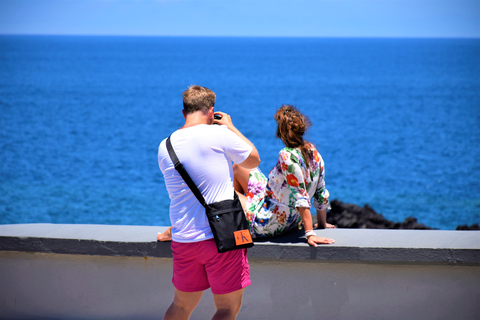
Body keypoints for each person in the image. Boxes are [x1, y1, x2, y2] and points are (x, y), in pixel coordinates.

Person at [157, 85, 260, 320]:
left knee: (181, 307)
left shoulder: (165, 146)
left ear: (184, 112)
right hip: (221, 236)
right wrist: (231, 127)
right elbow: (254, 160)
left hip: (184, 239)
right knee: (226, 309)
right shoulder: (220, 134)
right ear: (211, 111)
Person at [232, 104, 335, 247]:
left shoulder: (286, 155)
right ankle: (244, 216)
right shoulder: (313, 152)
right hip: (288, 216)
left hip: (271, 221)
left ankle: (241, 227)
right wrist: (322, 223)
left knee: (226, 193)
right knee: (239, 166)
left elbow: (301, 196)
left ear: (280, 132)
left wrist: (310, 234)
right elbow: (320, 192)